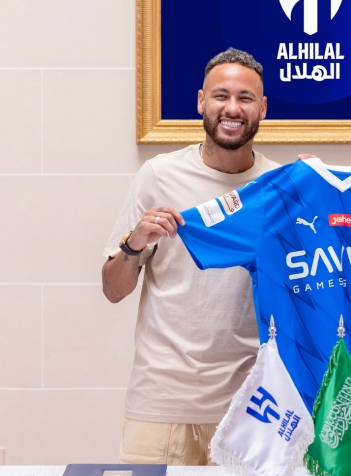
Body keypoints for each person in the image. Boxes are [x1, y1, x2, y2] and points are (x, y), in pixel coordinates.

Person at [100, 47, 279, 465]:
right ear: (201, 101)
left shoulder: (281, 187)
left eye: (245, 98)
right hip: (160, 404)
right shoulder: (158, 176)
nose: (232, 108)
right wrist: (134, 243)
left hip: (251, 407)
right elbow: (112, 290)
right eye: (220, 96)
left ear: (263, 108)